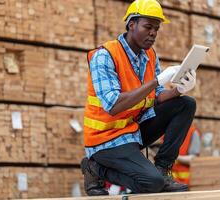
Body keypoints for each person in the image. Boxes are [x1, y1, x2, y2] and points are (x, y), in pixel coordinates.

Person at [80, 0, 197, 196]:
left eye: (156, 29)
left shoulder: (150, 56)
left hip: (133, 129)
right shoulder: (105, 56)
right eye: (148, 27)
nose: (153, 33)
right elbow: (113, 105)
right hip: (105, 139)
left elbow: (157, 97)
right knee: (152, 184)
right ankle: (95, 169)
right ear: (131, 24)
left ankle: (162, 168)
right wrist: (156, 81)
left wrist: (178, 91)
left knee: (185, 104)